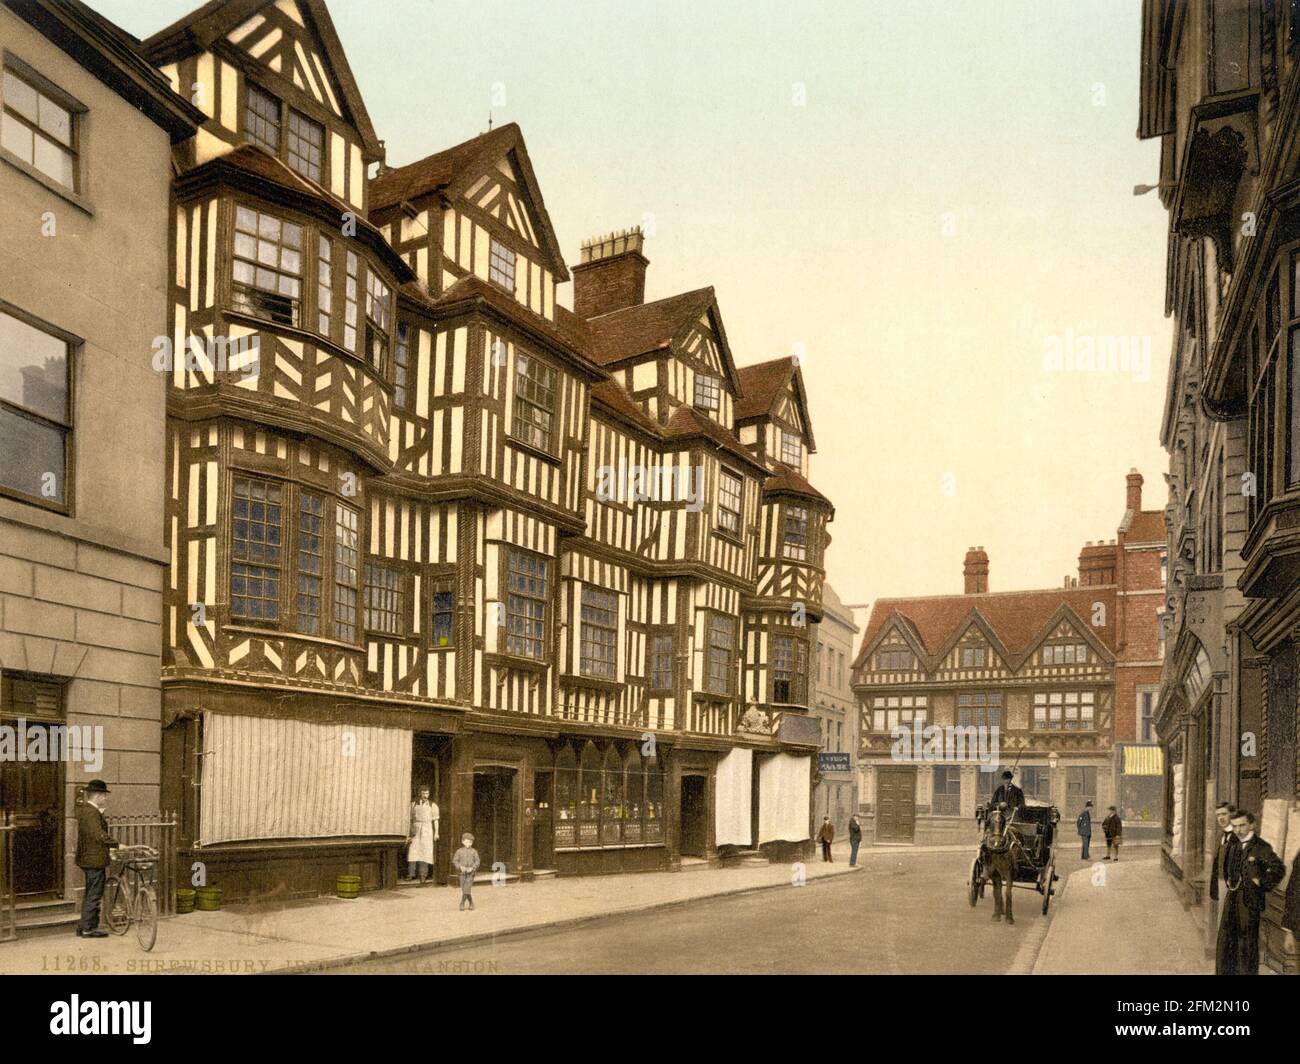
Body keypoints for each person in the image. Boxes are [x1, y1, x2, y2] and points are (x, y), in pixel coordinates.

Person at [1215, 809, 1286, 975]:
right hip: (1232, 899)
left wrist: (1261, 882)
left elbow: (1279, 869)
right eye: (1235, 826)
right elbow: (1227, 869)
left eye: (1242, 825)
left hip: (1250, 902)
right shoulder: (1234, 846)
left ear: (1252, 825)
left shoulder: (1261, 847)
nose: (1238, 830)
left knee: (1246, 946)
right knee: (1226, 941)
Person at [75, 780, 120, 938]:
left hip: (89, 859)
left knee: (90, 894)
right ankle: (89, 929)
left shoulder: (86, 810)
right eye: (104, 795)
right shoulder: (91, 812)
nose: (105, 798)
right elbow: (98, 834)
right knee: (94, 894)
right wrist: (116, 844)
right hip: (94, 860)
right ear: (98, 795)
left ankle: (83, 926)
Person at [406, 786, 439, 885]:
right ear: (419, 793)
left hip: (427, 829)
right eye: (423, 793)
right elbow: (410, 819)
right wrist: (410, 832)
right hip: (416, 828)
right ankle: (411, 874)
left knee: (425, 852)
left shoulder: (433, 805)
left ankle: (423, 876)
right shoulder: (413, 804)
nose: (425, 796)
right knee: (413, 851)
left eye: (427, 794)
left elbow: (435, 820)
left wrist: (436, 832)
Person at [1208, 802, 1237, 906]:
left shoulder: (1239, 836)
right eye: (1218, 815)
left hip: (1235, 885)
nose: (1221, 818)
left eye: (1224, 814)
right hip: (1221, 882)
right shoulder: (1219, 836)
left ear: (1232, 815)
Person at [452, 833, 480, 911]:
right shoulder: (459, 851)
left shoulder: (474, 851)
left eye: (470, 842)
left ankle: (462, 903)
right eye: (467, 842)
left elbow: (477, 861)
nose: (468, 844)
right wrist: (460, 867)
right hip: (462, 873)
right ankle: (471, 903)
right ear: (462, 842)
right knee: (464, 889)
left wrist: (472, 868)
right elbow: (455, 860)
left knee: (467, 888)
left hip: (471, 873)